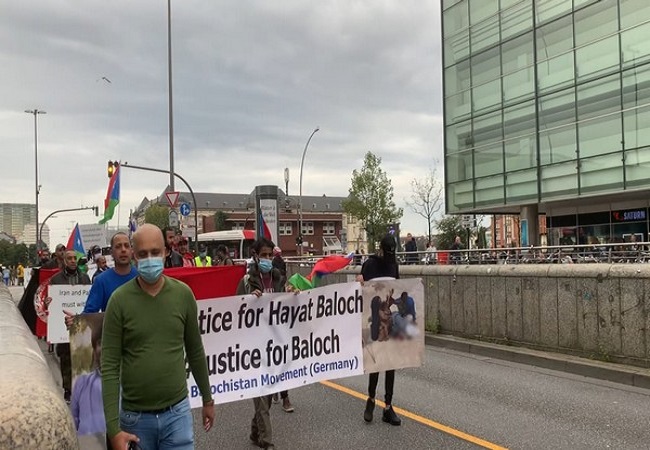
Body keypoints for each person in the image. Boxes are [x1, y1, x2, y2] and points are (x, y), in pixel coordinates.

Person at [102, 224, 215, 450]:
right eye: (143, 254)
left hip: (177, 415)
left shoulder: (183, 295)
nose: (150, 259)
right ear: (134, 256)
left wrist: (207, 399)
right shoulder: (119, 301)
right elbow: (109, 366)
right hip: (135, 420)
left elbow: (195, 350)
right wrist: (113, 429)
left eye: (155, 252)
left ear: (165, 252)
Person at [236, 237, 290, 450]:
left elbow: (286, 303)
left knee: (266, 396)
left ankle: (254, 431)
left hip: (274, 345)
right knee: (261, 394)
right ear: (255, 256)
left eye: (270, 255)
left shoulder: (277, 278)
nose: (268, 259)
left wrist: (292, 294)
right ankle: (266, 442)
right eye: (264, 255)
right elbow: (234, 311)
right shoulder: (247, 282)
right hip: (255, 347)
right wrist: (248, 299)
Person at [357, 234, 401, 426]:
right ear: (381, 249)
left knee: (390, 363)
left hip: (389, 317)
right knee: (376, 362)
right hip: (373, 317)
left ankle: (388, 406)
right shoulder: (370, 264)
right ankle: (371, 399)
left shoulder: (393, 265)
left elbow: (397, 289)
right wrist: (360, 283)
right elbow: (362, 291)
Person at [48, 249, 91, 403]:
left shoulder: (85, 278)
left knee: (83, 354)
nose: (73, 261)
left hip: (81, 323)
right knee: (66, 356)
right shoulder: (55, 280)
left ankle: (83, 387)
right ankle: (68, 389)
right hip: (63, 326)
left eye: (74, 258)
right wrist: (50, 303)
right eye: (70, 258)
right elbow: (51, 301)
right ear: (64, 261)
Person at [71, 324, 105, 435]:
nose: (104, 348)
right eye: (100, 343)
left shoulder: (130, 382)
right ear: (94, 350)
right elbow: (74, 419)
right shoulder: (82, 382)